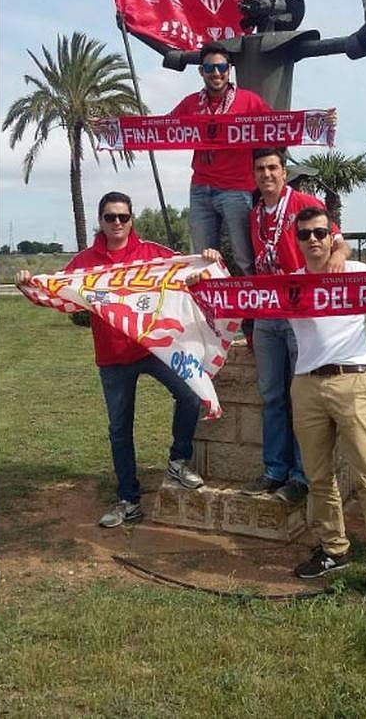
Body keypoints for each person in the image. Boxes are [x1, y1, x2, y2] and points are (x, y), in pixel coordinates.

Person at [14, 191, 221, 529]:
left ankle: (178, 460)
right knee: (119, 430)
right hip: (112, 357)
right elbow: (60, 293)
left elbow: (185, 270)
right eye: (110, 217)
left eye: (123, 217)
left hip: (152, 349)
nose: (117, 223)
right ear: (100, 220)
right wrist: (29, 285)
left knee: (189, 395)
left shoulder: (151, 254)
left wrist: (207, 260)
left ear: (131, 220)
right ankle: (129, 499)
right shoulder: (85, 262)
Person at [286, 206, 366, 607]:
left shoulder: (357, 271)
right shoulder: (288, 284)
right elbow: (237, 296)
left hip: (352, 381)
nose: (313, 239)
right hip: (306, 385)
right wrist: (205, 272)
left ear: (332, 235)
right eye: (305, 234)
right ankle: (334, 549)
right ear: (297, 240)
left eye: (320, 232)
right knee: (318, 478)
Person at [240, 148, 351, 505]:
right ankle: (275, 470)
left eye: (273, 167)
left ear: (284, 173)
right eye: (260, 168)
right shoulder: (255, 214)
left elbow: (338, 240)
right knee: (272, 395)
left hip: (299, 312)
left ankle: (303, 476)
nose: (266, 174)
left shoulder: (304, 201)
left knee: (300, 396)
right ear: (254, 175)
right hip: (266, 313)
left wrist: (337, 256)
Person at [169, 44, 273, 347]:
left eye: (222, 68)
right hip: (201, 187)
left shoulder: (248, 100)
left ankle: (256, 325)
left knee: (244, 258)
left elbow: (277, 128)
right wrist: (116, 129)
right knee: (202, 261)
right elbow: (163, 128)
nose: (216, 73)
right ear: (201, 72)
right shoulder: (191, 103)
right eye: (210, 68)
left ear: (230, 71)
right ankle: (208, 325)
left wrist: (317, 123)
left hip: (237, 188)